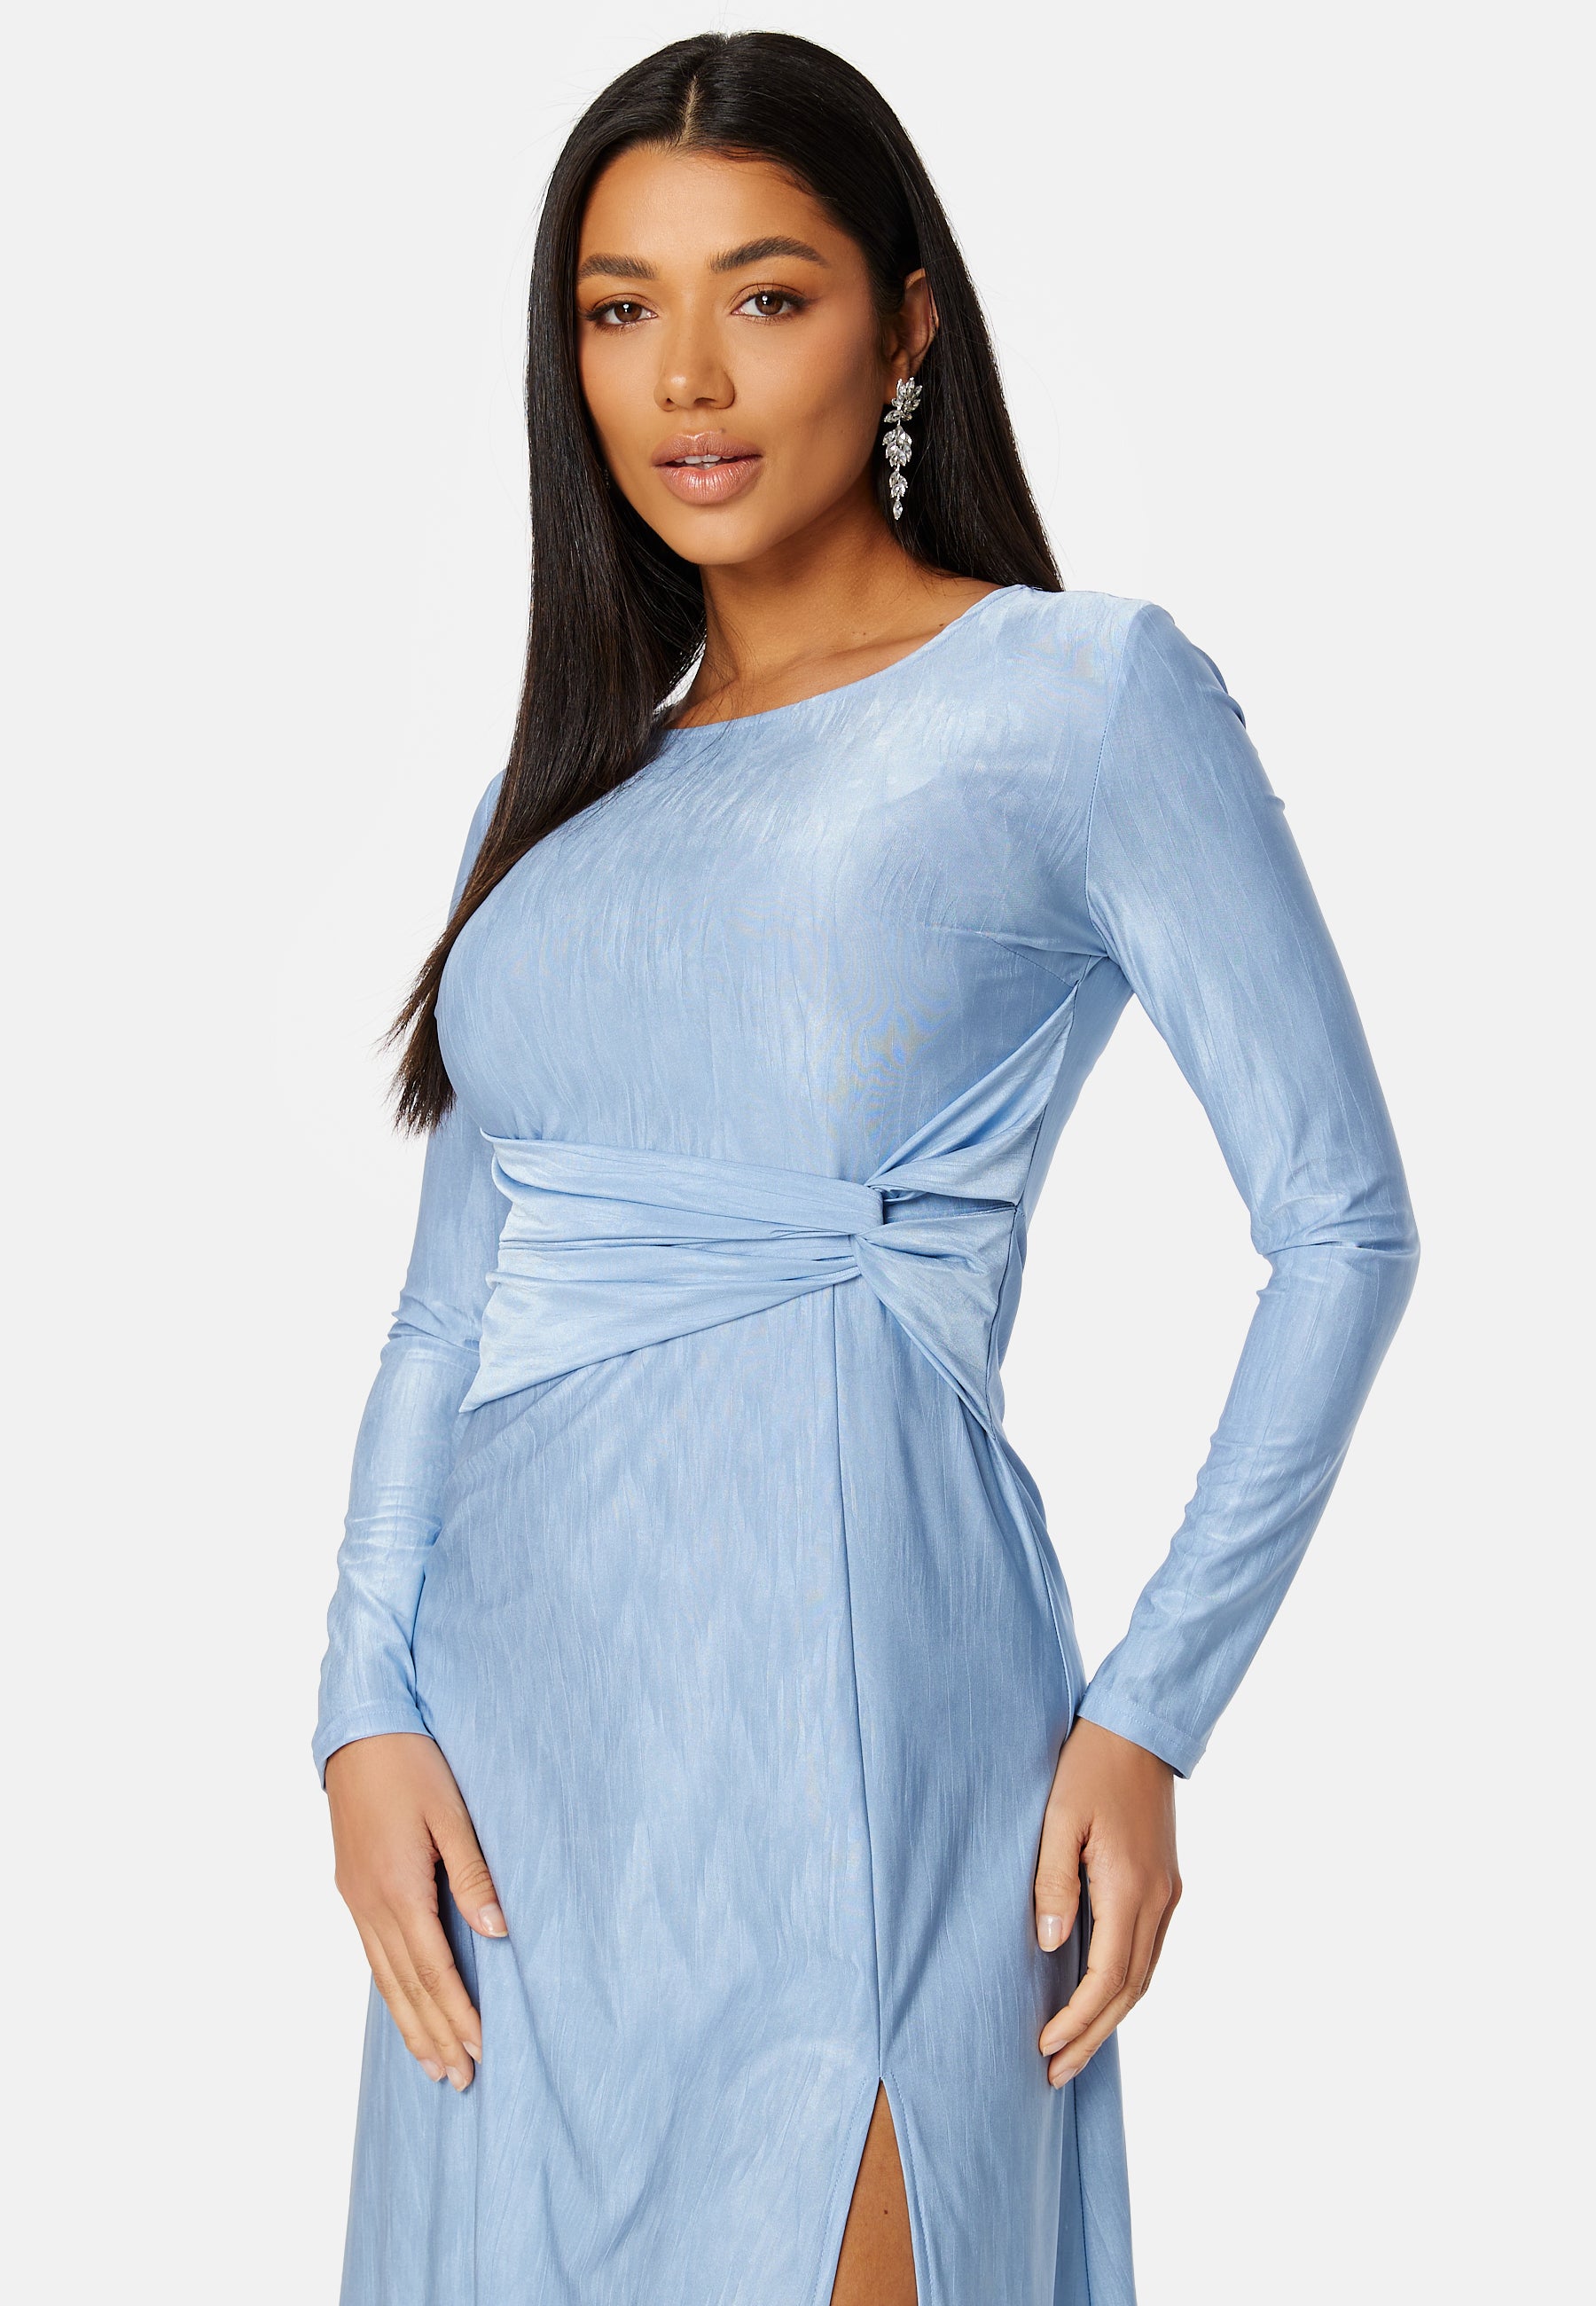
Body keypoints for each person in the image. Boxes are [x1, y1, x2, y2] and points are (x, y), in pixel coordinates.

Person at [313, 30, 1419, 2306]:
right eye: (620, 307)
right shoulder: (553, 803)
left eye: (767, 294)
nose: (687, 379)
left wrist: (1153, 1708)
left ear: (907, 326)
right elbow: (445, 1311)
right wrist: (361, 1704)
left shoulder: (1077, 698)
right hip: (514, 1780)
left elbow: (1340, 1225)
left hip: (864, 1716)